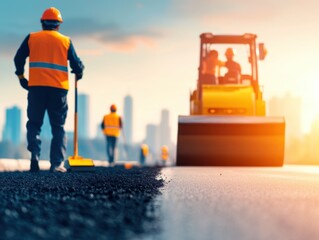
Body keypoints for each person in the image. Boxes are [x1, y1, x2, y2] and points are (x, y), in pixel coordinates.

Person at [14, 7, 84, 173]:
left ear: (42, 23)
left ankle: (35, 155)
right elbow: (76, 63)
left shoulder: (32, 38)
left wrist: (21, 77)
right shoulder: (65, 41)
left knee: (34, 124)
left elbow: (18, 58)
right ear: (59, 25)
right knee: (58, 127)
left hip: (36, 88)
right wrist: (79, 72)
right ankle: (56, 164)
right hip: (58, 90)